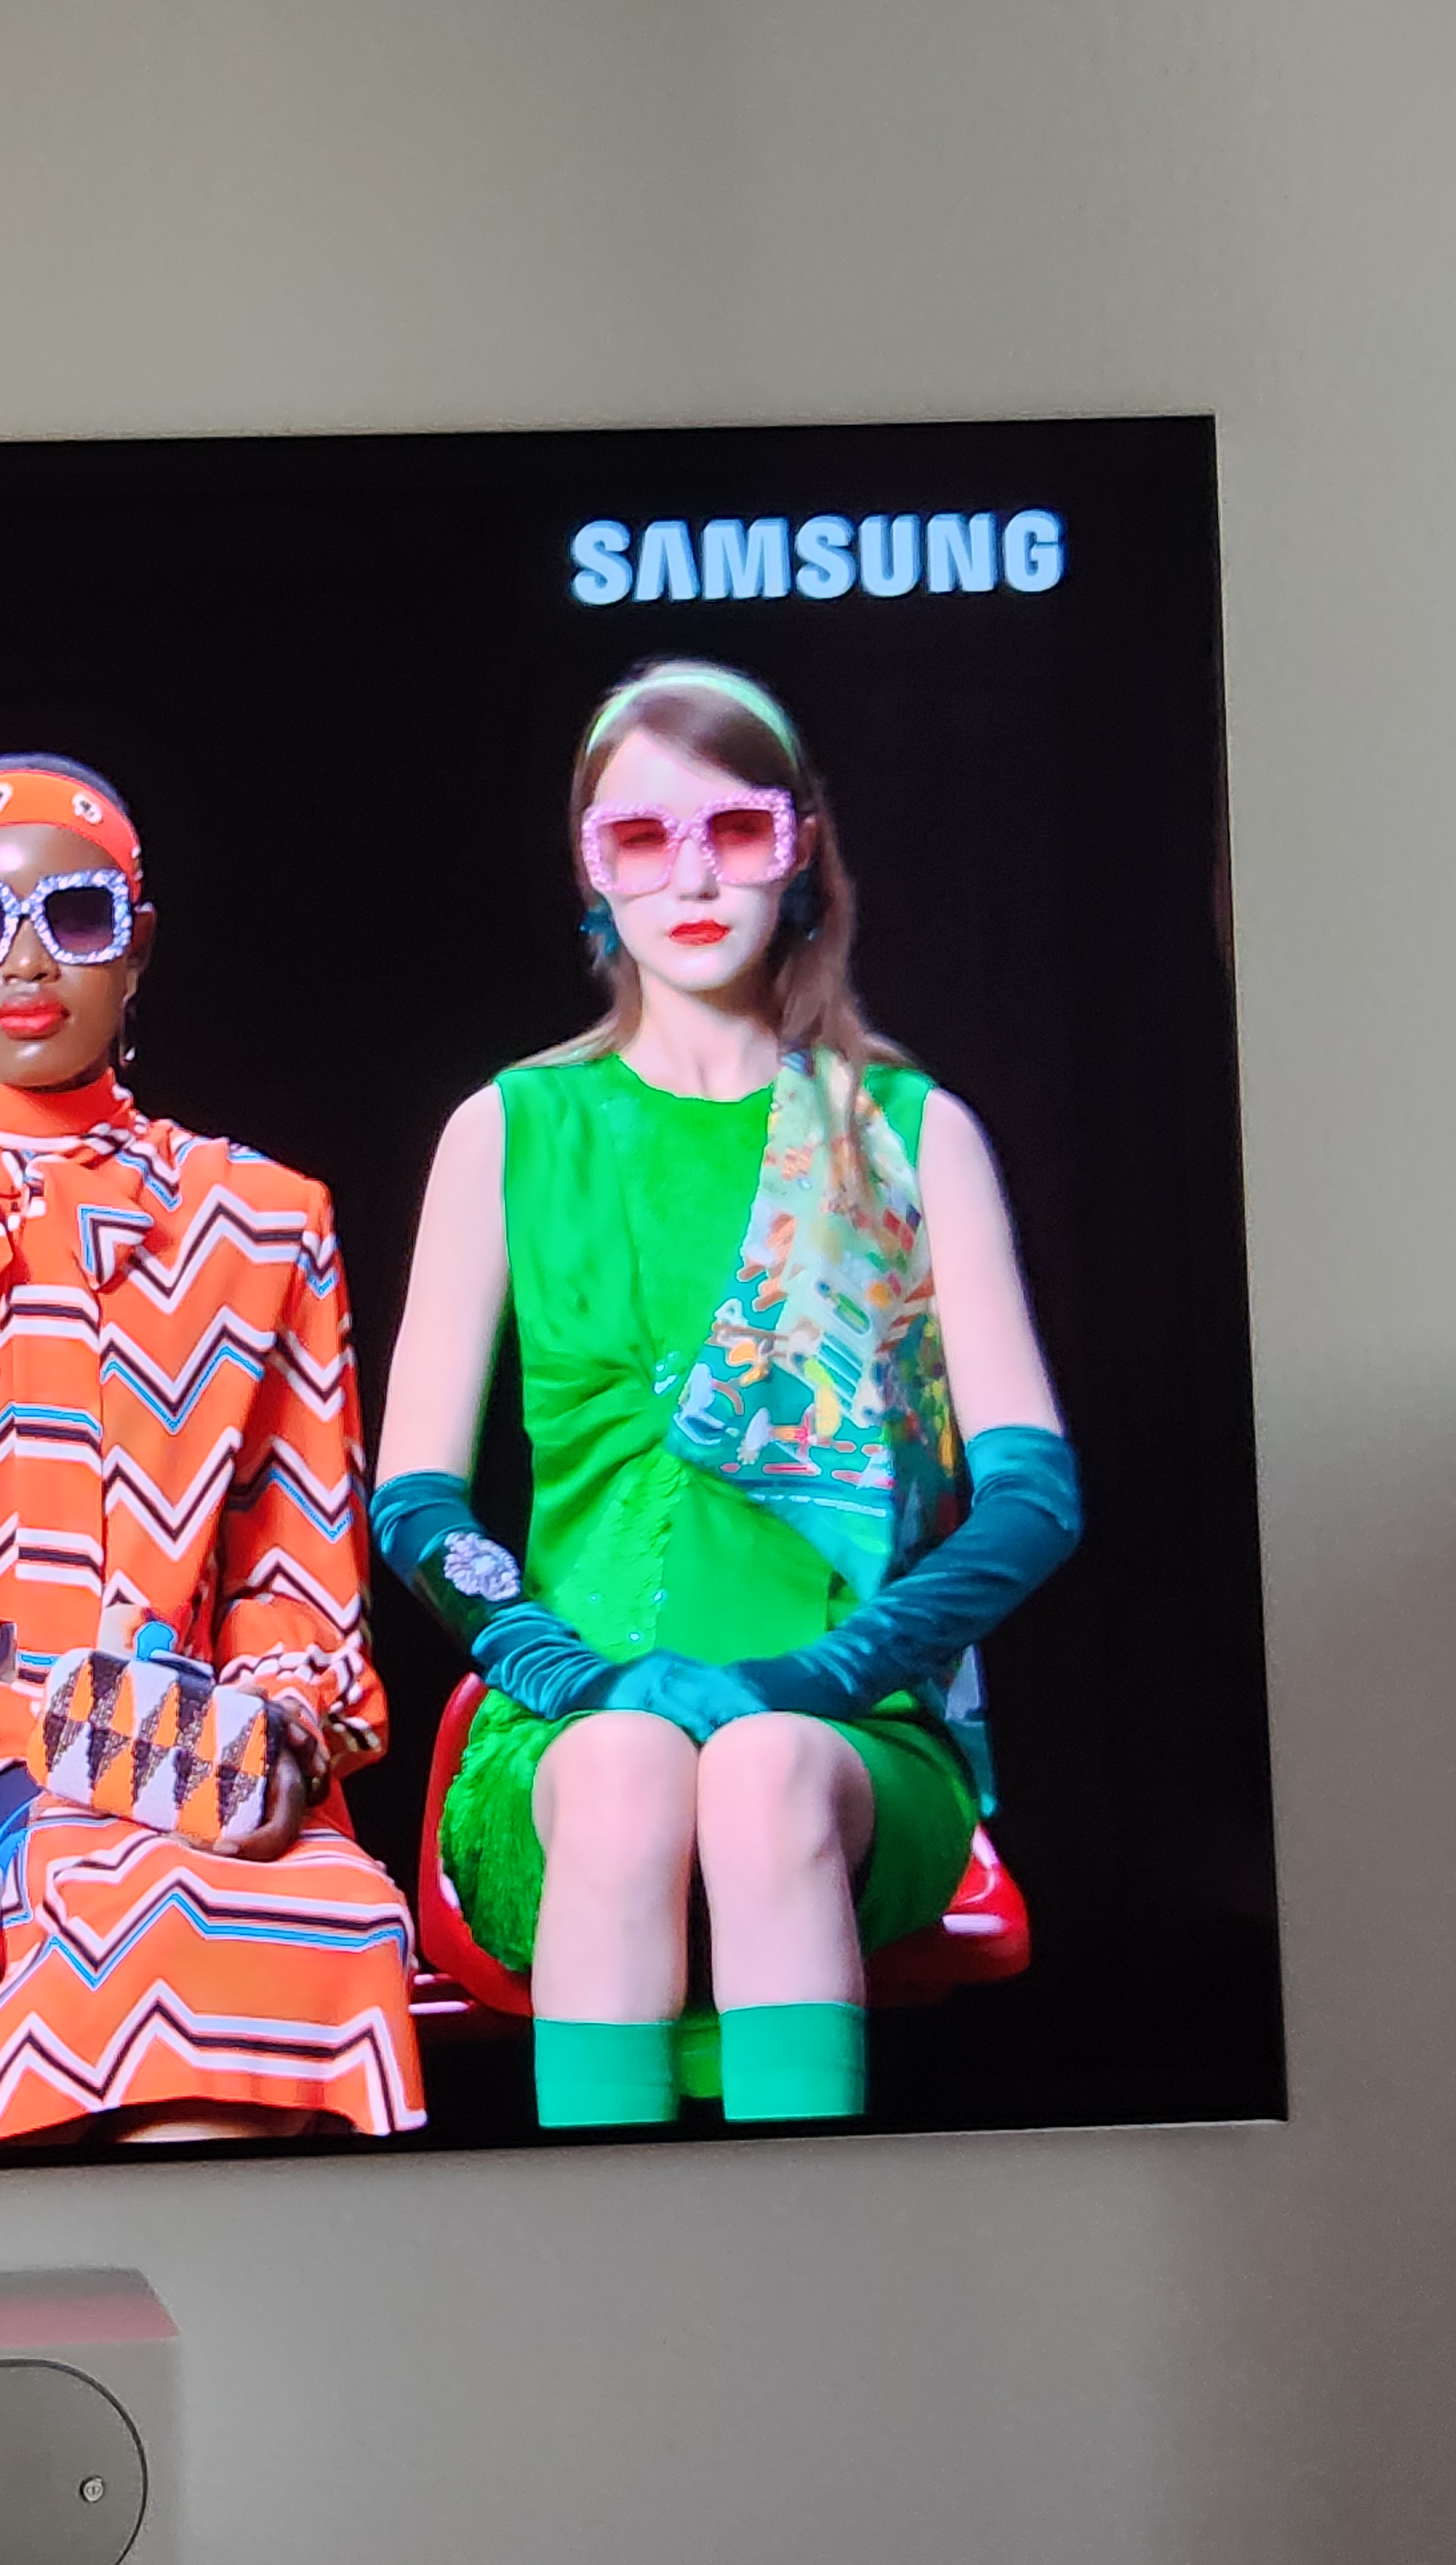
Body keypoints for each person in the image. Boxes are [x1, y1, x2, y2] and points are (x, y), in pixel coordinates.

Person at [375, 658, 1083, 2131]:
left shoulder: (907, 1133)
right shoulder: (506, 1131)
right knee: (629, 1772)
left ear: (797, 844)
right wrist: (572, 1675)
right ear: (592, 866)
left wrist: (817, 1679)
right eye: (644, 838)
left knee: (760, 1775)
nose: (693, 878)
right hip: (567, 1719)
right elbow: (417, 1501)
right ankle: (604, 2263)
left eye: (736, 830)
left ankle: (800, 2253)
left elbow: (1032, 1498)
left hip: (848, 1719)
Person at [0, 754, 424, 2155]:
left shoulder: (263, 1218)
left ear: (139, 942)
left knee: (321, 1912)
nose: (27, 959)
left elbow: (303, 1602)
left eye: (76, 913)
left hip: (222, 1786)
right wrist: (85, 1736)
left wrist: (265, 1732)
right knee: (93, 1897)